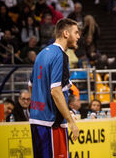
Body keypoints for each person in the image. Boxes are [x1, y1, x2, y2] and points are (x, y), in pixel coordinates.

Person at [29, 18, 80, 158]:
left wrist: (37, 106)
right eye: (76, 32)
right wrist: (71, 122)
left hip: (36, 120)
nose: (78, 36)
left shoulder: (41, 54)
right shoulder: (60, 55)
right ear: (65, 33)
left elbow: (31, 85)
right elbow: (56, 91)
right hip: (51, 124)